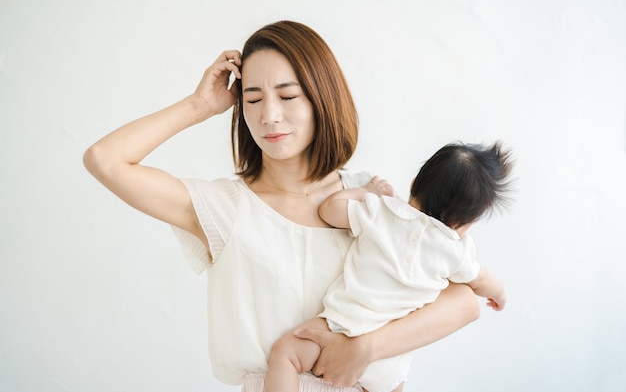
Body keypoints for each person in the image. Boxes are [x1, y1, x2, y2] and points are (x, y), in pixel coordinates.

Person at [82, 20, 479, 392]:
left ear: (321, 98)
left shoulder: (368, 199)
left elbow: (464, 300)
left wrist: (367, 347)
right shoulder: (222, 208)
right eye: (253, 99)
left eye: (287, 96)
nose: (269, 116)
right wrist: (199, 105)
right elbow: (105, 159)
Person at [265, 141, 513, 392]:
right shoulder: (456, 251)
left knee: (285, 355)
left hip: (344, 324)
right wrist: (500, 294)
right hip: (390, 360)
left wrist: (366, 192)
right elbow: (480, 281)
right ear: (463, 223)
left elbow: (328, 209)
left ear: (414, 182)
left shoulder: (381, 211)